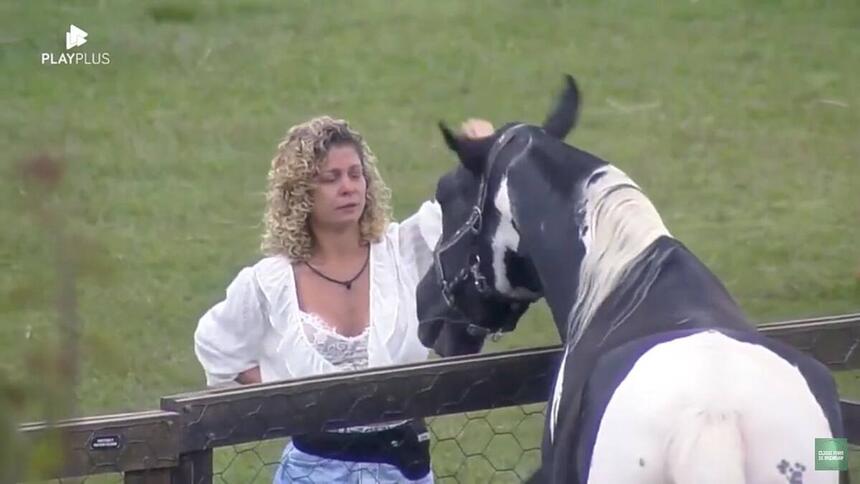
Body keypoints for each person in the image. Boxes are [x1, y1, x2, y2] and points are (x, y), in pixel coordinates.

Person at [193, 115, 495, 483]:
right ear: (301, 192)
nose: (348, 187)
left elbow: (460, 211)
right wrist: (282, 392)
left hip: (402, 469)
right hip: (312, 472)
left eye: (355, 174)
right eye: (331, 178)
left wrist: (484, 154)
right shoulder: (270, 281)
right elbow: (216, 342)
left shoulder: (403, 250)